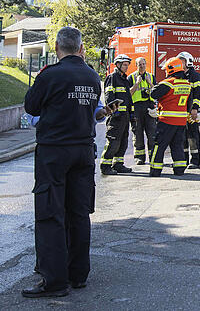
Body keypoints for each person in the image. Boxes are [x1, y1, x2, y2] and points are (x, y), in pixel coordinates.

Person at [22, 26, 117, 298]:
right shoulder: (91, 76)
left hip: (55, 153)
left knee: (51, 214)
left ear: (57, 47)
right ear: (81, 48)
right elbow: (93, 110)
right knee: (79, 213)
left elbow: (31, 107)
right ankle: (78, 274)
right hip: (84, 151)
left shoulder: (50, 75)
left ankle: (54, 281)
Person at [148, 57, 194, 177]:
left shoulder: (168, 83)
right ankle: (179, 170)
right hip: (181, 122)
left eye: (166, 70)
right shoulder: (187, 84)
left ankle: (155, 170)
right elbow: (190, 103)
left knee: (159, 145)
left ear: (170, 69)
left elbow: (154, 94)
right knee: (177, 145)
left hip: (166, 121)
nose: (165, 72)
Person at [100, 54, 134, 175]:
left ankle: (118, 164)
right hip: (116, 116)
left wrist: (131, 113)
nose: (126, 67)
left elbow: (128, 98)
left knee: (123, 141)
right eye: (124, 65)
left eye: (127, 65)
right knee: (113, 141)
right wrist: (114, 110)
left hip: (124, 117)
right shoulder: (112, 78)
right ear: (118, 65)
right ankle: (105, 165)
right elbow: (109, 96)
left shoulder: (124, 79)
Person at [128, 57, 156, 165]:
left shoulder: (151, 77)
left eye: (144, 64)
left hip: (149, 107)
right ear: (136, 65)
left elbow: (156, 92)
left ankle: (153, 156)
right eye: (140, 64)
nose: (142, 66)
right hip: (137, 108)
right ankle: (139, 157)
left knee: (152, 133)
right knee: (138, 134)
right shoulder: (131, 77)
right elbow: (128, 94)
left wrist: (150, 83)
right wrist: (137, 84)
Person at [178, 52, 200, 168]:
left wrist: (194, 109)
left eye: (181, 61)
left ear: (188, 62)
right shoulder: (180, 75)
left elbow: (198, 94)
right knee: (182, 136)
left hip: (190, 112)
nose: (179, 63)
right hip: (181, 111)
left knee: (192, 136)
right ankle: (184, 160)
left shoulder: (195, 76)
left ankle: (195, 160)